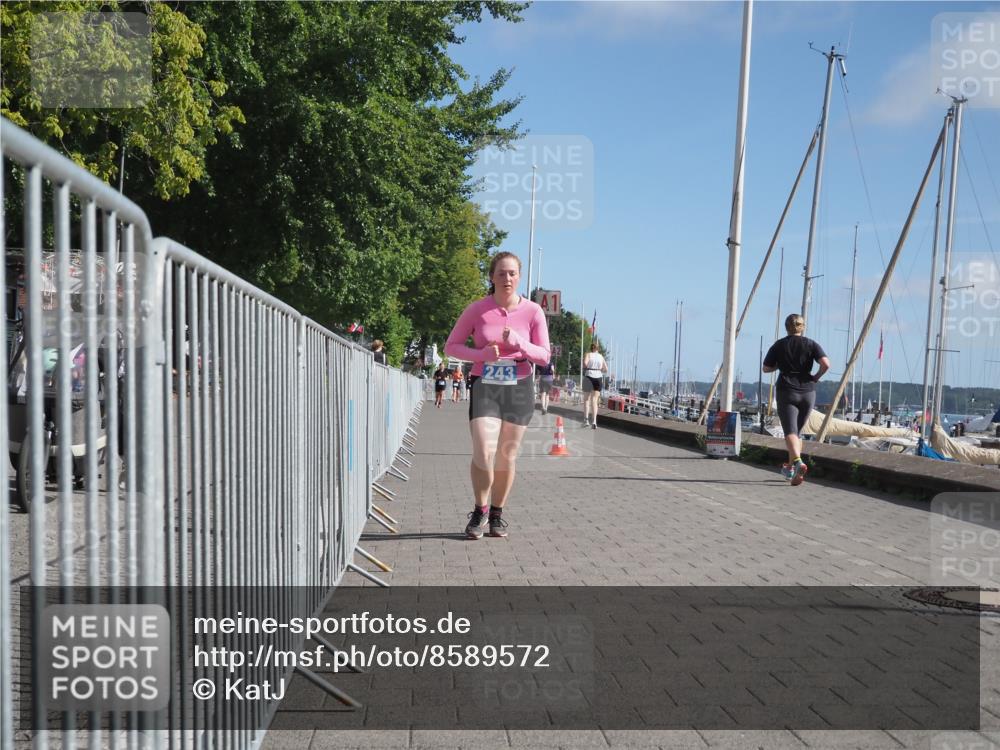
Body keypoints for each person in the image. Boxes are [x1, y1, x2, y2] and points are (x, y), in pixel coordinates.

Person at [445, 251, 550, 540]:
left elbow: (544, 356)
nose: (507, 278)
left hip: (519, 385)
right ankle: (479, 510)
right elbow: (451, 347)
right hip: (486, 384)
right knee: (484, 450)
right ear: (491, 277)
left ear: (519, 277)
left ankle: (497, 514)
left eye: (512, 273)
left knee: (506, 455)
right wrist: (480, 354)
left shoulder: (533, 311)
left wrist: (520, 343)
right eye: (501, 273)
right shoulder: (477, 309)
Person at [762, 313, 830, 486]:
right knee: (797, 433)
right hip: (808, 390)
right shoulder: (811, 344)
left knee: (790, 432)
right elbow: (826, 364)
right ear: (803, 326)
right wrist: (816, 377)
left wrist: (780, 365)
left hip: (787, 389)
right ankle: (791, 469)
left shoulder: (779, 345)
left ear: (787, 327)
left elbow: (766, 368)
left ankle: (798, 463)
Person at [582, 342, 608, 429]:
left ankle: (586, 420)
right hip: (598, 377)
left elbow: (585, 364)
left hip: (589, 375)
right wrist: (600, 369)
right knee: (595, 400)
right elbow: (606, 369)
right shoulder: (601, 356)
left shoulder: (588, 354)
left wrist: (587, 366)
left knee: (586, 399)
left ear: (591, 348)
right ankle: (594, 421)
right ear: (598, 349)